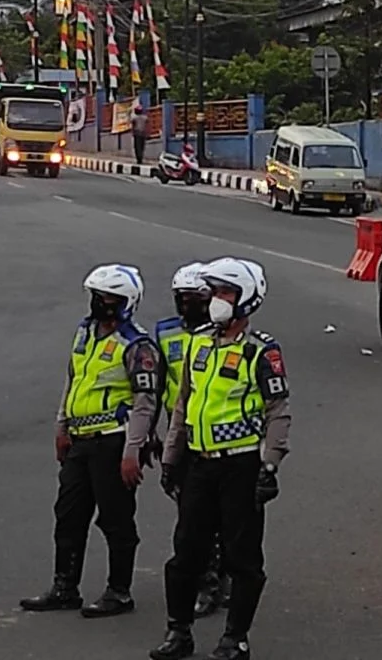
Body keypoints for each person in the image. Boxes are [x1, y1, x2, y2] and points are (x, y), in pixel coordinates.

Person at [150, 258, 291, 660]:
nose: (215, 301)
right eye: (213, 293)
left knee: (242, 558)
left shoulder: (260, 351)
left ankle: (235, 639)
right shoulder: (197, 343)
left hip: (242, 466)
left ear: (246, 299)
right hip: (199, 464)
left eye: (225, 293)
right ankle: (179, 633)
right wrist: (172, 458)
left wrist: (270, 464)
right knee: (185, 553)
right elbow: (183, 405)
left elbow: (277, 410)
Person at [20, 264, 164, 618]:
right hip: (80, 440)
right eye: (97, 297)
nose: (100, 304)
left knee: (116, 519)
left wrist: (133, 450)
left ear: (127, 302)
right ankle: (65, 587)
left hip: (113, 441)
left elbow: (146, 401)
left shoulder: (137, 345)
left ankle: (119, 591)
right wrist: (61, 427)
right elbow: (72, 380)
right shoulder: (85, 333)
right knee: (68, 515)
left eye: (109, 298)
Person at [155, 262, 231, 619]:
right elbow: (157, 387)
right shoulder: (166, 333)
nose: (187, 306)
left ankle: (221, 578)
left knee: (226, 516)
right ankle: (205, 581)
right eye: (182, 299)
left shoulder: (224, 333)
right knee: (191, 518)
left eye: (195, 299)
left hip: (220, 437)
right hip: (180, 434)